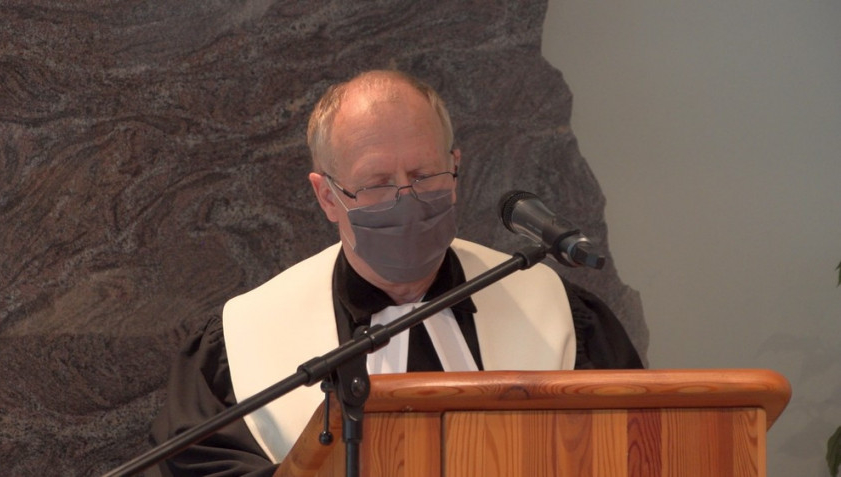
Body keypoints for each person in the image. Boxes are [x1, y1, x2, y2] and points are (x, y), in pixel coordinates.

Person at [148, 69, 642, 476]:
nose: (407, 201)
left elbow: (633, 447)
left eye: (424, 176)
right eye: (377, 183)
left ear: (455, 169)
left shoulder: (552, 310)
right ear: (327, 196)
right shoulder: (245, 338)